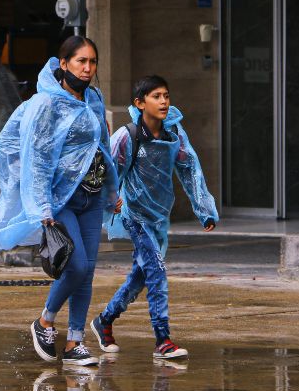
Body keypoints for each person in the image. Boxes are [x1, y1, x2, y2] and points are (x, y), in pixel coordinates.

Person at [0, 36, 118, 366]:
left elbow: (102, 146)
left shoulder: (94, 99)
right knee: (77, 265)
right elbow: (37, 157)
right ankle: (44, 322)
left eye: (92, 62)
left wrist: (113, 190)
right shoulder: (47, 104)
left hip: (92, 196)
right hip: (60, 200)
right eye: (81, 61)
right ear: (64, 63)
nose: (87, 68)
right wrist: (41, 204)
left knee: (87, 273)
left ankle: (74, 344)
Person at [90, 75, 218, 360]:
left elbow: (190, 169)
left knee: (141, 275)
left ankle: (105, 320)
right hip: (135, 216)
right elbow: (107, 170)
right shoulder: (128, 135)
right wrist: (111, 200)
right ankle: (163, 339)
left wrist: (204, 210)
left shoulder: (174, 135)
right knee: (157, 273)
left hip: (160, 217)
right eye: (156, 96)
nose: (163, 101)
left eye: (166, 96)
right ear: (140, 102)